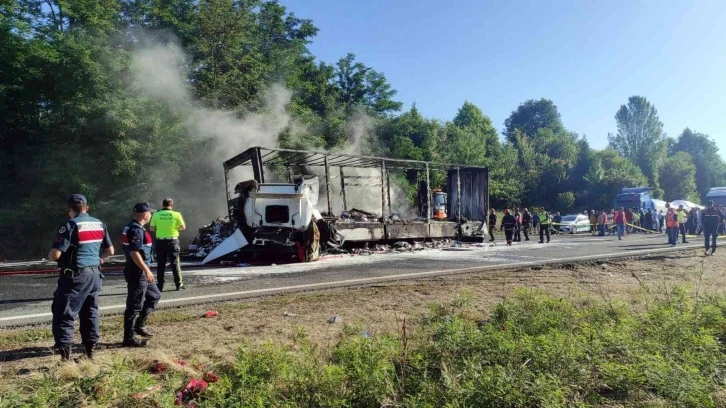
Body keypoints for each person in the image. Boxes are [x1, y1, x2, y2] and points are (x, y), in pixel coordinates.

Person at [48, 194, 114, 360]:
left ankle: (65, 359)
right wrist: (99, 258)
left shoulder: (69, 225)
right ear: (87, 207)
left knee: (64, 313)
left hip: (75, 276)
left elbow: (56, 254)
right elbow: (110, 251)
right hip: (94, 274)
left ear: (69, 209)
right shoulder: (99, 224)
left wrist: (50, 253)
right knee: (90, 312)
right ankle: (89, 354)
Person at [122, 203, 162, 347]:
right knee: (134, 305)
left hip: (141, 271)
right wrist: (146, 269)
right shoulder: (136, 230)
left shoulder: (133, 227)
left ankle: (140, 324)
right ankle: (129, 338)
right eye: (150, 213)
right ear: (145, 214)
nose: (151, 215)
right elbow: (134, 252)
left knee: (155, 295)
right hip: (137, 272)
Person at [150, 198, 187, 291]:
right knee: (175, 263)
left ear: (162, 205)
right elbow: (183, 227)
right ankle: (178, 284)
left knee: (160, 264)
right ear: (172, 205)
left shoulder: (156, 214)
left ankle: (160, 286)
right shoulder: (176, 214)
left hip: (160, 242)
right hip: (172, 241)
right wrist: (174, 227)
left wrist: (161, 228)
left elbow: (152, 229)